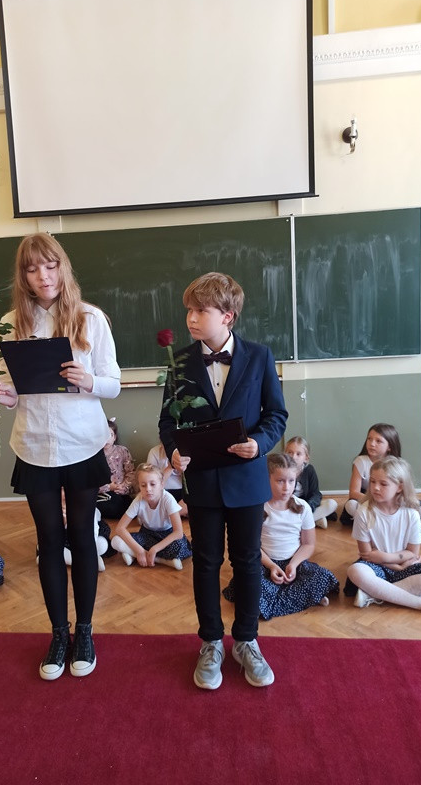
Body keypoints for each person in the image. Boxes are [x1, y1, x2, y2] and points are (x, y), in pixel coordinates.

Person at [0, 232, 120, 681]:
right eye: (32, 269)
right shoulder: (10, 322)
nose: (43, 276)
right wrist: (6, 395)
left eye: (50, 266)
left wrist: (89, 381)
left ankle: (84, 631)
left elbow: (113, 383)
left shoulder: (90, 318)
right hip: (34, 445)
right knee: (48, 541)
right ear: (22, 276)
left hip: (81, 443)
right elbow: (15, 390)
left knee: (82, 536)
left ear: (63, 267)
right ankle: (58, 633)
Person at [159, 272, 287, 690]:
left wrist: (259, 443)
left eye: (201, 311)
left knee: (247, 561)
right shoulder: (179, 361)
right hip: (203, 483)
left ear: (228, 316)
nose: (191, 318)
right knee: (206, 562)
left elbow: (276, 415)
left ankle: (247, 640)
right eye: (189, 311)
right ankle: (211, 641)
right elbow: (167, 422)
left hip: (247, 480)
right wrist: (173, 450)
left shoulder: (260, 356)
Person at [345, 456, 421, 624]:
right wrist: (397, 565)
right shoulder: (364, 512)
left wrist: (386, 557)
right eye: (373, 481)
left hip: (405, 566)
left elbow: (413, 553)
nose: (375, 487)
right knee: (356, 571)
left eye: (383, 484)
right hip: (377, 568)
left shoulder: (411, 513)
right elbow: (367, 555)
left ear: (399, 487)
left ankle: (374, 595)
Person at [223, 454, 338, 620]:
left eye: (291, 481)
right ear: (266, 479)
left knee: (322, 576)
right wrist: (271, 566)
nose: (287, 487)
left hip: (294, 562)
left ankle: (274, 601)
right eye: (280, 481)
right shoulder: (258, 508)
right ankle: (305, 598)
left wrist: (293, 564)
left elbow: (308, 544)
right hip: (264, 563)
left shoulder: (303, 507)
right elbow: (252, 546)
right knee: (249, 583)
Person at [338, 423, 421, 530]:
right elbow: (353, 493)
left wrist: (391, 501)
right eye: (369, 439)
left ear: (389, 446)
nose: (372, 444)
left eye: (378, 441)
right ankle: (385, 523)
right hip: (369, 498)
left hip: (392, 500)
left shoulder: (397, 464)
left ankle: (409, 523)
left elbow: (405, 492)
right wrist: (376, 501)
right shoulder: (361, 461)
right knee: (351, 505)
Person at [111, 463, 192, 569]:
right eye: (143, 485)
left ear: (162, 484)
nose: (148, 489)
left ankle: (135, 555)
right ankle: (159, 559)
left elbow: (178, 533)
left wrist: (155, 549)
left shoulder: (168, 499)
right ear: (139, 486)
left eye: (153, 484)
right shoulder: (138, 500)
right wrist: (139, 550)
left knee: (179, 546)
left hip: (167, 535)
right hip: (147, 535)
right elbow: (120, 528)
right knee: (116, 541)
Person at [285, 436, 338, 529]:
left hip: (305, 505)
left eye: (298, 454)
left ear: (306, 458)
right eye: (290, 452)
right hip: (288, 506)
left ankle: (302, 522)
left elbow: (316, 493)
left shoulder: (309, 470)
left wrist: (309, 507)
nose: (293, 457)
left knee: (332, 504)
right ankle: (313, 520)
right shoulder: (282, 471)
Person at [96, 417, 135, 523]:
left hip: (122, 491)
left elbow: (131, 473)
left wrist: (124, 487)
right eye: (103, 435)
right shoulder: (95, 456)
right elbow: (91, 481)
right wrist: (109, 487)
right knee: (113, 507)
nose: (107, 439)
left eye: (110, 435)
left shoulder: (122, 451)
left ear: (115, 437)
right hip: (104, 493)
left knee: (131, 507)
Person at [146, 441, 188, 516]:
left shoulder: (186, 451)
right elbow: (151, 482)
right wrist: (170, 467)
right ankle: (173, 515)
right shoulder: (154, 452)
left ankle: (170, 515)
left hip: (183, 493)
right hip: (163, 492)